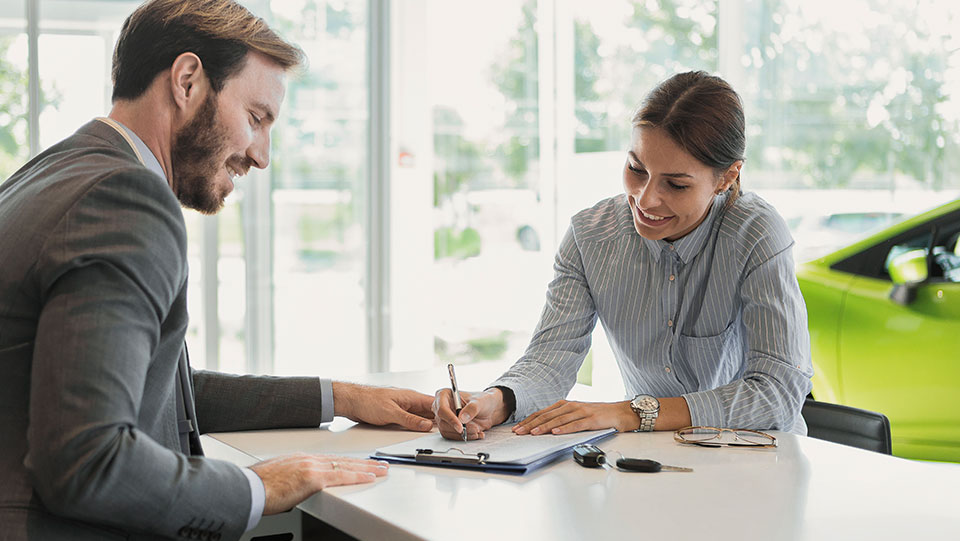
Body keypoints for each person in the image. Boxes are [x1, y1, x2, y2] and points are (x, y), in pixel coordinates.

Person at [0, 1, 434, 540]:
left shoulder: (55, 172)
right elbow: (87, 461)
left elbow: (158, 391)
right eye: (256, 118)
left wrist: (339, 397)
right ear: (187, 81)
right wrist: (256, 488)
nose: (261, 156)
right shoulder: (124, 198)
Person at [434, 71, 813, 441]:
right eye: (636, 168)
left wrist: (633, 412)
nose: (646, 199)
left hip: (762, 463)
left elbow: (777, 394)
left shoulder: (757, 234)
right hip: (657, 460)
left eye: (676, 184)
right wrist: (495, 401)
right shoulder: (590, 236)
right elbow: (550, 360)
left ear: (727, 177)